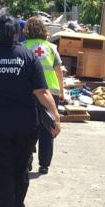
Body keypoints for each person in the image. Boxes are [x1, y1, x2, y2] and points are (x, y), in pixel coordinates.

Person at [0, 15, 61, 207]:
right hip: (25, 124)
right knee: (21, 166)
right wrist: (56, 116)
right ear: (16, 33)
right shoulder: (28, 56)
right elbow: (42, 92)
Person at [24, 16, 64, 174]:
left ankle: (27, 158)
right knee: (48, 127)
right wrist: (61, 91)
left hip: (29, 92)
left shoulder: (23, 46)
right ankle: (44, 164)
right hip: (51, 92)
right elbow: (58, 71)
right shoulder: (51, 48)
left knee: (28, 127)